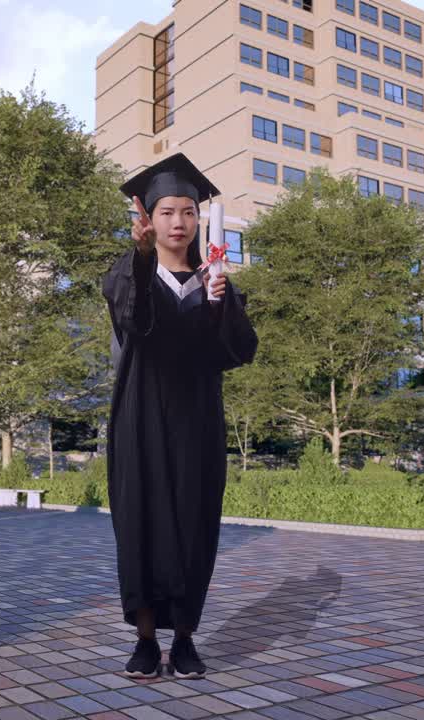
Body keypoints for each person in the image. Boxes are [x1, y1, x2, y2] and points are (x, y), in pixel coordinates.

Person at [102, 153, 258, 679]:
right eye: (167, 211)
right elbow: (137, 324)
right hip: (140, 417)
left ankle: (186, 639)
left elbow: (240, 349)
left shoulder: (215, 279)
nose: (178, 222)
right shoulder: (127, 271)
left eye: (188, 212)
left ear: (199, 220)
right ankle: (146, 641)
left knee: (193, 523)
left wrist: (219, 306)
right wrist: (144, 259)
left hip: (196, 420)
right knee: (142, 521)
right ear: (147, 217)